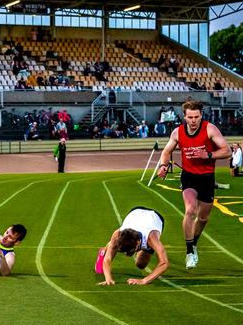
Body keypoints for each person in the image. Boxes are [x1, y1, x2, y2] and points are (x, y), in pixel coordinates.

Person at [157, 99, 231, 269]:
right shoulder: (177, 132)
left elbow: (226, 150)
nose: (193, 120)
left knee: (203, 218)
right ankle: (189, 251)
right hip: (189, 177)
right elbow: (167, 151)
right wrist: (163, 165)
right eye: (190, 117)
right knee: (190, 210)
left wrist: (209, 155)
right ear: (184, 117)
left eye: (196, 117)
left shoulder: (210, 129)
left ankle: (194, 242)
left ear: (201, 115)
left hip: (206, 178)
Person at [96, 207, 169, 286]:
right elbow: (108, 259)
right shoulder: (118, 235)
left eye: (130, 251)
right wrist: (108, 279)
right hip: (135, 212)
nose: (127, 255)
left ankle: (131, 249)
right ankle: (103, 251)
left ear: (138, 243)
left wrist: (144, 281)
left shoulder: (151, 238)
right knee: (114, 245)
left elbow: (164, 263)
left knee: (141, 264)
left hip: (155, 217)